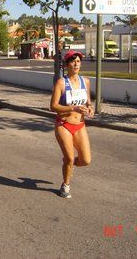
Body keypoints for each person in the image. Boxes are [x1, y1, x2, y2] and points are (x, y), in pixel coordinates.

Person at [50, 50, 95, 198]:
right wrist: (73, 108)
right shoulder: (61, 82)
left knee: (86, 160)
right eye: (72, 61)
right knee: (70, 157)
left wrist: (90, 107)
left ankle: (67, 163)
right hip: (63, 124)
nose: (76, 64)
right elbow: (53, 106)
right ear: (67, 64)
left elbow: (88, 100)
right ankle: (65, 185)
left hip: (80, 125)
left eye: (78, 61)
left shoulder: (85, 81)